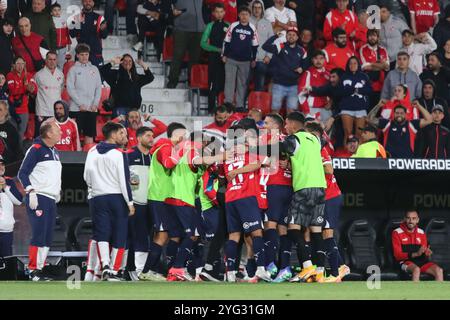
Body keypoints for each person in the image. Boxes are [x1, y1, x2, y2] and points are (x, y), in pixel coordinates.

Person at [83, 121, 134, 281]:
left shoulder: (92, 150)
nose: (124, 137)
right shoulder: (119, 153)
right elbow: (124, 181)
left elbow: (86, 175)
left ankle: (104, 265)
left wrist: (95, 188)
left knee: (102, 233)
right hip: (117, 198)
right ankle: (114, 270)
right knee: (120, 235)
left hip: (98, 198)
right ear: (113, 135)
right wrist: (130, 203)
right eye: (121, 134)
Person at [139, 123, 188, 281]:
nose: (185, 139)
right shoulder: (165, 147)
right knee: (162, 235)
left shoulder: (168, 147)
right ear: (178, 135)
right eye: (184, 136)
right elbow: (168, 163)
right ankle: (147, 271)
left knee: (174, 235)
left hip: (166, 198)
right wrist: (182, 151)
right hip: (159, 197)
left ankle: (169, 270)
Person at [223, 124, 272, 282]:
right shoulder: (248, 154)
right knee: (257, 233)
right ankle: (261, 269)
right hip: (246, 196)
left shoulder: (227, 158)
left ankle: (230, 273)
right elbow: (260, 163)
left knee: (234, 236)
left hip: (230, 198)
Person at [282, 121, 327, 283]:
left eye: (287, 124)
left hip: (304, 188)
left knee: (293, 229)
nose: (285, 127)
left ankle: (307, 267)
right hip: (320, 188)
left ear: (294, 126)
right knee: (316, 231)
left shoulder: (295, 139)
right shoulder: (316, 140)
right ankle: (320, 272)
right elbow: (325, 141)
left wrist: (251, 148)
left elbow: (277, 148)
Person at [18, 119, 62, 281]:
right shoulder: (35, 149)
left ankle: (39, 268)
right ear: (49, 133)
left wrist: (57, 191)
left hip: (50, 198)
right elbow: (22, 173)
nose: (61, 133)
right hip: (39, 197)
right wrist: (31, 191)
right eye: (58, 131)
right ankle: (32, 269)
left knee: (47, 236)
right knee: (39, 233)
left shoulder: (55, 151)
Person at [305, 122, 350, 282]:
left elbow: (329, 170)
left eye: (308, 134)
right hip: (321, 197)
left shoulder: (320, 150)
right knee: (321, 233)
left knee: (327, 233)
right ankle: (338, 267)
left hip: (330, 196)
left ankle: (337, 272)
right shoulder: (311, 151)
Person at [126, 126, 154, 279]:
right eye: (148, 135)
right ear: (138, 138)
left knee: (145, 236)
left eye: (152, 136)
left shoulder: (153, 157)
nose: (151, 138)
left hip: (149, 203)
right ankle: (130, 269)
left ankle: (141, 270)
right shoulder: (129, 155)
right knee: (131, 236)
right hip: (134, 202)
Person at [223, 6, 258, 111]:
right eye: (242, 14)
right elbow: (227, 41)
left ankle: (239, 105)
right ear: (239, 15)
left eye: (246, 14)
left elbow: (255, 45)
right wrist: (224, 55)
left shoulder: (252, 28)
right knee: (229, 82)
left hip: (246, 61)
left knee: (242, 83)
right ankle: (228, 103)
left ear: (249, 16)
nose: (244, 16)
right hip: (231, 59)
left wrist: (254, 59)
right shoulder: (233, 25)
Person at [262, 26, 306, 113]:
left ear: (297, 37)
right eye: (289, 34)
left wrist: (302, 68)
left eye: (294, 35)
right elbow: (265, 46)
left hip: (293, 86)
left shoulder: (302, 50)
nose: (291, 36)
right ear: (286, 36)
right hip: (279, 84)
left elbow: (306, 63)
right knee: (275, 110)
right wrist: (275, 36)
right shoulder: (281, 46)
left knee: (291, 111)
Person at [392, 209, 444, 281]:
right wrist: (415, 254)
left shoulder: (421, 232)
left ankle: (437, 292)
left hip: (421, 262)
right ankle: (416, 292)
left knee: (439, 271)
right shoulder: (396, 232)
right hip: (405, 262)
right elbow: (397, 255)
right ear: (404, 219)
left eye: (413, 218)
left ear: (417, 220)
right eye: (408, 218)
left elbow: (424, 250)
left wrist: (427, 252)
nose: (411, 221)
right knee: (416, 270)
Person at [66, 43, 102, 145]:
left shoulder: (94, 69)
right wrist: (80, 104)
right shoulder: (73, 70)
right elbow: (70, 88)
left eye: (86, 54)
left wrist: (95, 104)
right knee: (74, 135)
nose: (84, 57)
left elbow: (98, 88)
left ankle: (87, 158)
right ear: (77, 55)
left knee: (89, 135)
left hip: (91, 108)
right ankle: (72, 159)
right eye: (82, 54)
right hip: (76, 109)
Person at [166, 0, 205, 89]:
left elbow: (208, 6)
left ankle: (192, 81)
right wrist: (171, 12)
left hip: (198, 30)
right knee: (178, 55)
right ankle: (172, 81)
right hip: (181, 28)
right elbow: (166, 3)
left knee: (195, 58)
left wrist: (204, 22)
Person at [200, 3, 229, 113]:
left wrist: (226, 52)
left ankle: (224, 110)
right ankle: (211, 110)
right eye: (217, 12)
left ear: (224, 12)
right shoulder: (210, 25)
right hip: (214, 58)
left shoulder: (229, 25)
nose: (219, 14)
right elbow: (203, 44)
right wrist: (217, 50)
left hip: (226, 59)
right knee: (212, 85)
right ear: (213, 13)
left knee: (225, 85)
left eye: (221, 12)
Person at [338, 56, 372, 142]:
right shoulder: (343, 76)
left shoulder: (364, 76)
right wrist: (354, 90)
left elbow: (369, 90)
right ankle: (346, 155)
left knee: (360, 134)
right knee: (348, 134)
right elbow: (340, 91)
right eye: (350, 63)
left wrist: (355, 90)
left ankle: (359, 154)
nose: (352, 65)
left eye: (355, 63)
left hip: (361, 108)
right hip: (346, 108)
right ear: (348, 65)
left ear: (358, 64)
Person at [68, 0, 108, 67]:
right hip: (81, 53)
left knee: (98, 76)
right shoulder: (76, 17)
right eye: (85, 1)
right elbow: (72, 34)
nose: (88, 3)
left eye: (90, 1)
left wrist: (102, 30)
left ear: (93, 3)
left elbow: (104, 36)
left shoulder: (99, 18)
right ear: (82, 2)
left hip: (96, 54)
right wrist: (78, 23)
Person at [6, 56, 38, 141]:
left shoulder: (29, 75)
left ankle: (18, 153)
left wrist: (32, 88)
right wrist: (25, 88)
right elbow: (12, 91)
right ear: (13, 65)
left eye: (22, 64)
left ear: (24, 65)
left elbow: (34, 89)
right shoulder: (10, 75)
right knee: (12, 132)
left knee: (21, 133)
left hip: (24, 110)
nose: (20, 66)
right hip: (12, 109)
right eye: (18, 63)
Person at [359, 29, 390, 111]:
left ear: (378, 37)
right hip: (369, 85)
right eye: (370, 36)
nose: (372, 38)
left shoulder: (383, 49)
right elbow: (365, 67)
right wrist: (380, 65)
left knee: (381, 110)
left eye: (374, 35)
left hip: (382, 86)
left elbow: (387, 67)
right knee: (369, 110)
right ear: (367, 37)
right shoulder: (363, 49)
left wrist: (372, 64)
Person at [34, 51, 64, 134]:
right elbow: (34, 92)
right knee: (40, 136)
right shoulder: (38, 75)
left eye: (54, 59)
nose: (52, 62)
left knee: (55, 135)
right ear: (46, 60)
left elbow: (61, 90)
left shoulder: (60, 74)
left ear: (57, 60)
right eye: (50, 59)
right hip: (42, 111)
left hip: (55, 111)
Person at [298, 50, 331, 122]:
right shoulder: (308, 73)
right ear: (312, 60)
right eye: (316, 58)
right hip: (312, 109)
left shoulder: (329, 74)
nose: (318, 61)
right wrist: (306, 111)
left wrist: (331, 103)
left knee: (326, 132)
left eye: (321, 58)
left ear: (325, 60)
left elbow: (333, 91)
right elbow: (301, 94)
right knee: (311, 132)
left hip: (326, 109)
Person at [0, 155, 23, 257]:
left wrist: (5, 187)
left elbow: (18, 201)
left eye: (2, 164)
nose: (1, 167)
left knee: (6, 261)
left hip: (6, 230)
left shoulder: (9, 181)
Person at [250, 0, 273, 92]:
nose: (257, 10)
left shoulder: (267, 23)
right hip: (247, 59)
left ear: (262, 9)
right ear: (251, 9)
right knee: (244, 85)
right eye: (255, 7)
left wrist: (268, 56)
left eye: (259, 8)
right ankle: (241, 106)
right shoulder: (247, 21)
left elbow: (272, 41)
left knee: (259, 85)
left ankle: (258, 105)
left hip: (262, 59)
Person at [379, 3, 409, 68]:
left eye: (383, 12)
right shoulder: (377, 26)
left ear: (389, 12)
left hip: (399, 58)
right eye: (379, 12)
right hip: (385, 61)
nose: (381, 14)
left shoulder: (398, 22)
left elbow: (408, 36)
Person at [50, 2, 72, 69]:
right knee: (52, 63)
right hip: (53, 47)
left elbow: (67, 33)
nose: (57, 12)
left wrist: (69, 43)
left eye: (58, 10)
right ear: (51, 12)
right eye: (55, 10)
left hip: (62, 47)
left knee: (60, 64)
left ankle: (60, 78)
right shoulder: (50, 21)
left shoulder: (64, 21)